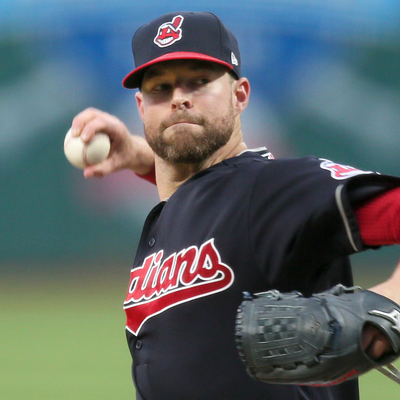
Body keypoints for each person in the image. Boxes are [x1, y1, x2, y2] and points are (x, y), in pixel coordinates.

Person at [70, 11, 400, 400]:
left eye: (199, 81)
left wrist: (389, 308)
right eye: (161, 88)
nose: (179, 98)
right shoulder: (182, 205)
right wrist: (142, 156)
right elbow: (203, 193)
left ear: (240, 95)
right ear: (141, 108)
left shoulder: (274, 188)